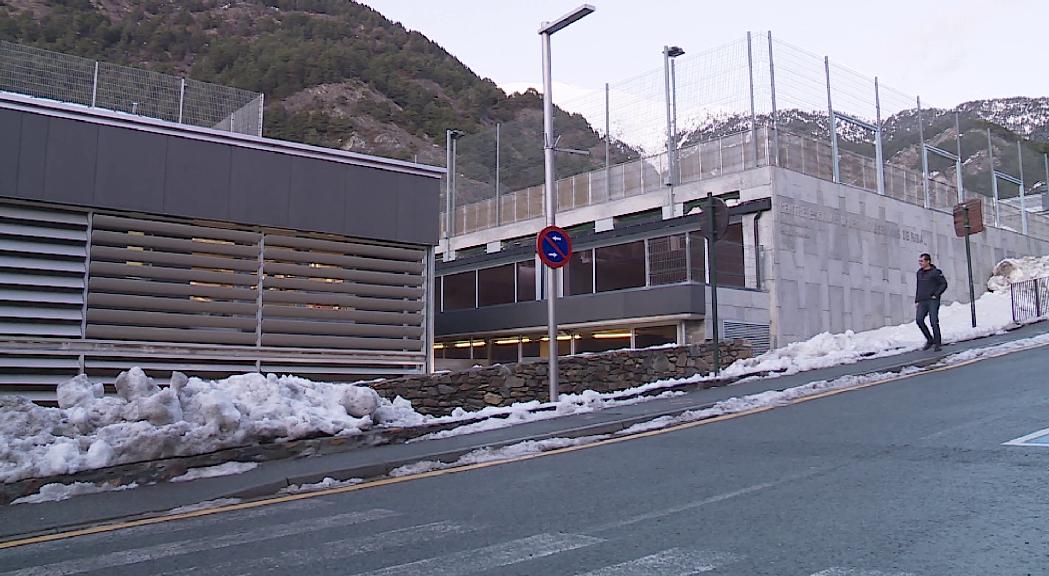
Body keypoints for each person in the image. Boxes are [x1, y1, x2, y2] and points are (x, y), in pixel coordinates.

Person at [915, 253, 948, 351]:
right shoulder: (919, 273)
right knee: (919, 320)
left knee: (933, 321)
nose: (920, 263)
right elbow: (918, 287)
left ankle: (938, 343)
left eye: (922, 261)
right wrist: (917, 300)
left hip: (932, 300)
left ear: (928, 261)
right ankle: (930, 340)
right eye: (919, 261)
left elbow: (944, 284)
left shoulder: (935, 272)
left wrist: (936, 294)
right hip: (922, 300)